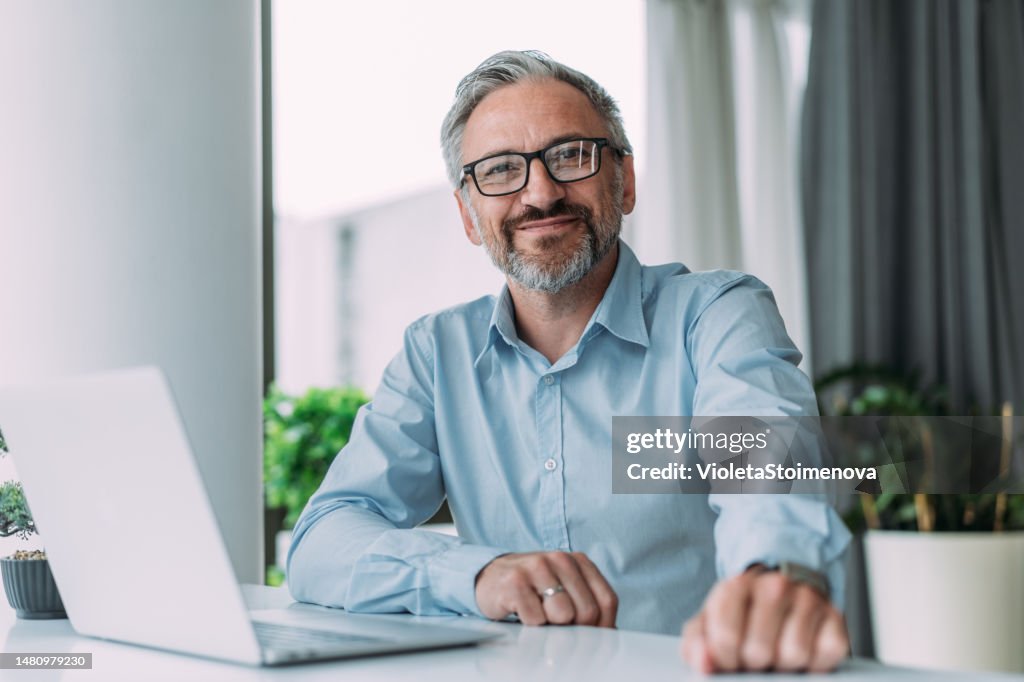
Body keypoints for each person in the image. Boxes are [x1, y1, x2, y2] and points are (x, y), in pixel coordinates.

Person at [287, 50, 852, 674]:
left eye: (571, 155)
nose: (540, 192)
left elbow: (761, 462)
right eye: (501, 170)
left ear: (625, 181)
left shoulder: (715, 315)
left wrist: (770, 573)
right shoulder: (435, 354)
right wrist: (479, 575)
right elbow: (323, 541)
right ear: (469, 215)